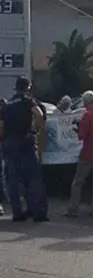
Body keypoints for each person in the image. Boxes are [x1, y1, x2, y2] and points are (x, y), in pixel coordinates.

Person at [0, 77, 48, 222]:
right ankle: (37, 213)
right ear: (27, 88)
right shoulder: (28, 101)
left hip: (9, 143)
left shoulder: (7, 105)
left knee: (13, 180)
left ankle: (17, 213)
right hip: (25, 141)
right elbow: (39, 114)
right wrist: (36, 129)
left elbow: (1, 126)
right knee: (33, 178)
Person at [64, 91, 93, 218]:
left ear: (85, 102)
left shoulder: (87, 116)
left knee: (78, 181)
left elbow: (81, 136)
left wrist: (78, 129)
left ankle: (73, 208)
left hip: (89, 153)